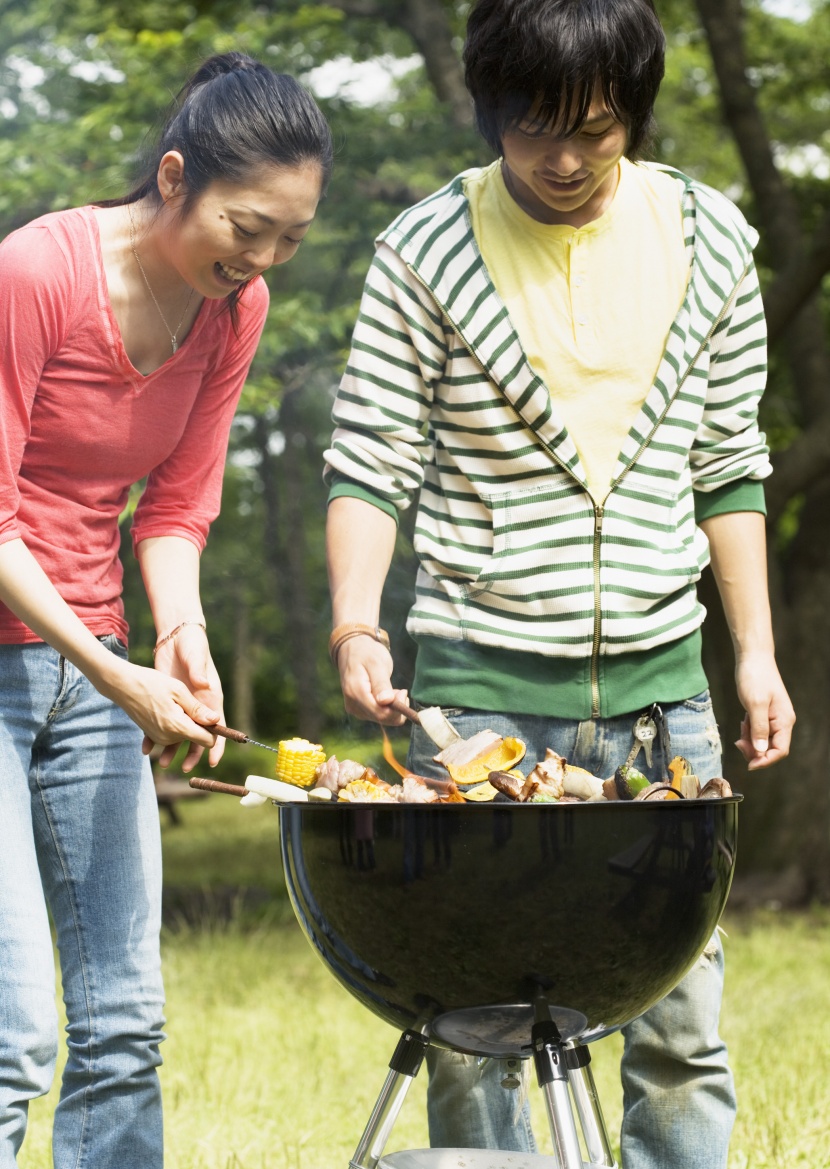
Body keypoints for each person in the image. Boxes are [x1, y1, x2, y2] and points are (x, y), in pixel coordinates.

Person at [323, 0, 794, 1164]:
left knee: (679, 1023)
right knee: (469, 1031)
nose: (566, 158)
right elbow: (369, 458)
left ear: (629, 111)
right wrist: (352, 622)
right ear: (490, 112)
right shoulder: (423, 251)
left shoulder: (709, 236)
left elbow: (727, 464)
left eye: (595, 127)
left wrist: (752, 654)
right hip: (475, 695)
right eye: (534, 128)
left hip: (660, 703)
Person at [0, 52, 331, 1169]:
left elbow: (176, 508)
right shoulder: (36, 270)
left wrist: (178, 636)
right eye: (247, 226)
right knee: (16, 1034)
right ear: (177, 176)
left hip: (92, 657)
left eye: (289, 237)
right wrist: (113, 669)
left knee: (123, 1020)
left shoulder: (231, 312)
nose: (262, 259)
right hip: (36, 652)